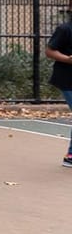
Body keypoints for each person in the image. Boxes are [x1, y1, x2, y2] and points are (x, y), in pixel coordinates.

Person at [44, 21, 72, 168]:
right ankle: (71, 156)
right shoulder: (65, 29)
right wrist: (68, 59)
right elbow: (49, 51)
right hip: (67, 79)